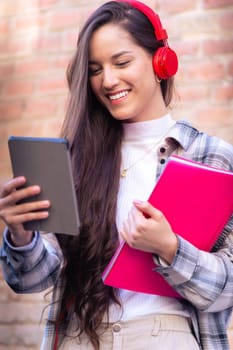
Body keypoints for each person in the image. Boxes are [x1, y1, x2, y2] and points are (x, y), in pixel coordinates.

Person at [0, 1, 233, 349]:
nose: (108, 81)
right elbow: (32, 279)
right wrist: (21, 235)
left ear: (160, 62)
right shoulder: (75, 157)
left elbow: (227, 290)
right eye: (95, 69)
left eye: (121, 62)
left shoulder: (209, 156)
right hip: (80, 337)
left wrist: (170, 248)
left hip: (164, 337)